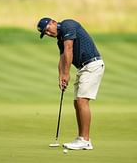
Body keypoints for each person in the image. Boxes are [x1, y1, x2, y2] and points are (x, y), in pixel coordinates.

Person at [37, 17, 105, 150]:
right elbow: (62, 57)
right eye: (45, 33)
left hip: (92, 65)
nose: (48, 34)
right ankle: (81, 138)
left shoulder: (68, 25)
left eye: (48, 30)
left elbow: (69, 49)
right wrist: (61, 76)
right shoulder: (60, 40)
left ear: (53, 22)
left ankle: (85, 140)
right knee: (77, 102)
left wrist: (67, 74)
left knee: (81, 101)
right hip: (83, 68)